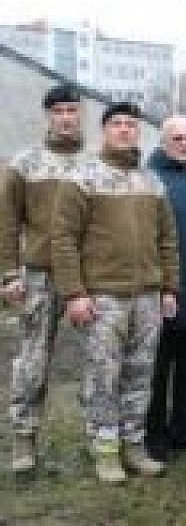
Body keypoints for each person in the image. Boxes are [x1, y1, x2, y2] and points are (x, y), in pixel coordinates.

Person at [51, 102, 179, 483]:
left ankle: (134, 446)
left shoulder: (152, 181)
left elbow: (168, 239)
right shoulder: (82, 177)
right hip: (102, 297)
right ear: (104, 130)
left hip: (147, 297)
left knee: (141, 374)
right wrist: (74, 293)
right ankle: (105, 451)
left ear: (139, 131)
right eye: (117, 124)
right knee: (103, 376)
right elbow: (63, 239)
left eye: (131, 124)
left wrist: (170, 286)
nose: (125, 130)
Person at [0, 85, 86, 474]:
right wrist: (9, 273)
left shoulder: (94, 163)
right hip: (39, 275)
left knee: (102, 359)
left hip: (91, 276)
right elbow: (6, 223)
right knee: (33, 358)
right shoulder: (24, 163)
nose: (67, 117)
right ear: (48, 115)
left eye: (73, 109)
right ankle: (23, 438)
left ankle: (102, 438)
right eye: (59, 110)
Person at [144, 116, 186, 462]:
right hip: (161, 290)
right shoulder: (148, 179)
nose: (185, 143)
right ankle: (154, 437)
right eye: (178, 138)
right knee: (157, 370)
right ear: (163, 140)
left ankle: (183, 431)